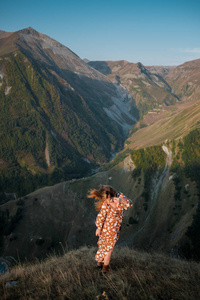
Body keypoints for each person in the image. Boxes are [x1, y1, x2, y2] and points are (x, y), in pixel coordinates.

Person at [88, 185, 133, 273]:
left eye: (109, 198)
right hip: (108, 230)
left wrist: (121, 200)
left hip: (114, 229)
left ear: (112, 193)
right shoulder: (106, 204)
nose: (108, 200)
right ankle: (105, 268)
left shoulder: (120, 196)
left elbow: (130, 203)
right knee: (108, 249)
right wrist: (98, 228)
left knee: (104, 246)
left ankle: (99, 264)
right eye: (106, 199)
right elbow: (101, 216)